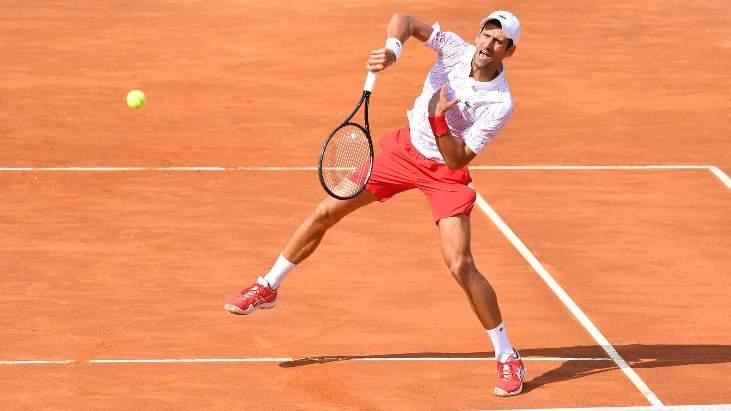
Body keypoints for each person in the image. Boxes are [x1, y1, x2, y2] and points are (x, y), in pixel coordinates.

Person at [225, 10, 526, 397]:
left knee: (460, 263)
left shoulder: (499, 102)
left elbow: (457, 160)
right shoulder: (454, 48)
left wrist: (438, 120)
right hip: (403, 153)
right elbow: (405, 19)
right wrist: (393, 49)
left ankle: (507, 356)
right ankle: (267, 287)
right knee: (326, 211)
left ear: (509, 52)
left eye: (499, 42)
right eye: (486, 35)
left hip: (443, 172)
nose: (488, 45)